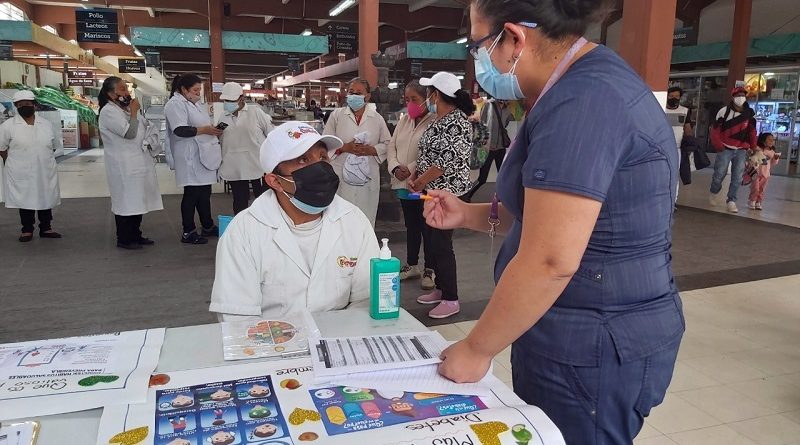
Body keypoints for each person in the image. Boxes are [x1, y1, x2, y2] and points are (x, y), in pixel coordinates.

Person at [425, 1, 684, 444]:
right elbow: (548, 218)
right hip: (574, 331)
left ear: (514, 39)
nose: (478, 59)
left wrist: (476, 348)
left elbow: (550, 258)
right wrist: (467, 214)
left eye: (478, 44)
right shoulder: (577, 85)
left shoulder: (583, 102)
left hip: (592, 344)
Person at [209, 122, 380, 321]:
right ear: (275, 181)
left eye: (323, 157)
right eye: (303, 160)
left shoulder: (353, 220)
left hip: (338, 343)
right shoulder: (244, 232)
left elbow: (366, 300)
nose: (319, 168)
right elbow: (237, 316)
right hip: (271, 347)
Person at [408, 72, 475, 319]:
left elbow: (443, 163)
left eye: (429, 93)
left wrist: (420, 182)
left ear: (437, 94)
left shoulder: (457, 122)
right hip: (431, 191)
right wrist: (416, 176)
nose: (427, 98)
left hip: (449, 193)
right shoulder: (438, 119)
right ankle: (440, 288)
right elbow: (426, 153)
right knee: (432, 241)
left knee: (442, 245)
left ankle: (451, 298)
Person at [97, 77, 164, 250]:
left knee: (138, 200)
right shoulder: (108, 112)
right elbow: (129, 133)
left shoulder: (124, 109)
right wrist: (134, 112)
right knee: (126, 201)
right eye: (122, 90)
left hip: (138, 162)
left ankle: (136, 233)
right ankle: (124, 238)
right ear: (111, 94)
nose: (126, 93)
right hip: (123, 165)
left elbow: (146, 127)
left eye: (126, 89)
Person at [386, 80, 437, 290]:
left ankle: (430, 269)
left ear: (426, 99)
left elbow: (432, 152)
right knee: (411, 226)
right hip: (403, 185)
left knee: (427, 227)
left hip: (422, 185)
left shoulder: (435, 121)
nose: (410, 104)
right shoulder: (404, 120)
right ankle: (412, 264)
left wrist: (411, 167)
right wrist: (395, 166)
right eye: (407, 100)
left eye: (414, 99)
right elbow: (391, 146)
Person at [323, 78, 391, 226]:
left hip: (368, 175)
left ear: (367, 97)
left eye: (358, 93)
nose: (354, 96)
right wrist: (344, 148)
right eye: (351, 92)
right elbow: (325, 143)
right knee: (340, 218)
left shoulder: (376, 119)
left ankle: (364, 246)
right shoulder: (337, 116)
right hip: (341, 175)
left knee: (365, 217)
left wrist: (371, 150)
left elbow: (387, 144)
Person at [164, 73, 223, 244]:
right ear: (183, 89)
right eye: (195, 90)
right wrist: (205, 130)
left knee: (204, 193)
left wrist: (211, 130)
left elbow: (200, 125)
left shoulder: (194, 104)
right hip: (189, 156)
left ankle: (207, 225)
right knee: (192, 194)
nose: (198, 93)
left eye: (199, 90)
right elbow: (180, 130)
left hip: (202, 154)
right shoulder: (175, 104)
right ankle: (188, 231)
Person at [0, 90, 62, 242]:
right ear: (16, 106)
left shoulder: (46, 124)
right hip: (21, 170)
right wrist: (11, 163)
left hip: (44, 169)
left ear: (34, 105)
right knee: (25, 198)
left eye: (28, 104)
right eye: (21, 105)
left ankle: (46, 228)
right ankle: (27, 229)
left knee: (45, 197)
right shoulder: (8, 126)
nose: (24, 107)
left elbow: (54, 145)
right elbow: (2, 148)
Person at [217, 82, 273, 214]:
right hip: (233, 165)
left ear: (241, 98)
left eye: (231, 100)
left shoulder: (256, 112)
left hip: (256, 164)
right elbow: (219, 137)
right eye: (226, 100)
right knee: (239, 200)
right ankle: (240, 227)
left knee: (262, 199)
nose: (228, 103)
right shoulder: (223, 117)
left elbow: (271, 134)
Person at [709, 86, 757, 213]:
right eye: (738, 95)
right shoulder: (723, 112)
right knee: (719, 174)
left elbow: (752, 131)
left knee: (737, 177)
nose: (741, 97)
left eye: (743, 95)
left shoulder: (749, 113)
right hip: (725, 148)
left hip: (741, 149)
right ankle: (714, 191)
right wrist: (719, 146)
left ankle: (731, 200)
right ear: (733, 97)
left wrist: (753, 147)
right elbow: (715, 130)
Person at [463, 97, 512, 202]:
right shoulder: (489, 106)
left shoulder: (508, 110)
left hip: (501, 149)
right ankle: (468, 196)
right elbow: (482, 124)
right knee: (482, 178)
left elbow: (505, 124)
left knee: (502, 176)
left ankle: (502, 199)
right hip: (487, 149)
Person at [748, 132, 781, 210]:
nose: (772, 142)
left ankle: (758, 201)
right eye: (769, 140)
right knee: (755, 188)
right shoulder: (758, 149)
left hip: (766, 174)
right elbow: (752, 157)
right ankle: (752, 200)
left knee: (762, 189)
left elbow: (773, 163)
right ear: (763, 141)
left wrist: (775, 158)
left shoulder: (772, 152)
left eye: (773, 140)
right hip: (756, 173)